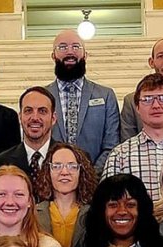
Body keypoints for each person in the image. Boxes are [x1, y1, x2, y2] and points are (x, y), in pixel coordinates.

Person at [46, 29, 120, 171]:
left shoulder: (106, 95)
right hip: (51, 180)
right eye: (62, 47)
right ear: (53, 55)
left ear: (85, 55)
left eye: (76, 46)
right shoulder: (42, 97)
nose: (70, 52)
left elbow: (112, 146)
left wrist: (90, 176)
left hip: (95, 181)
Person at [33, 142, 96, 247]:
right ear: (48, 171)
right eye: (57, 166)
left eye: (72, 166)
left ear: (81, 172)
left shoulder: (94, 214)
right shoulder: (34, 213)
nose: (64, 172)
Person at [0, 87, 57, 182]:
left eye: (42, 111)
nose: (35, 117)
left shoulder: (73, 160)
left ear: (53, 118)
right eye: (28, 111)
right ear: (20, 117)